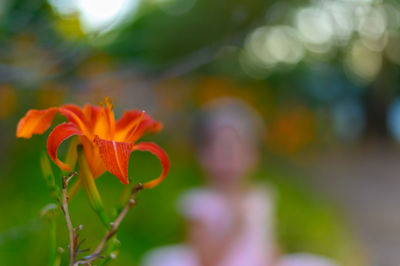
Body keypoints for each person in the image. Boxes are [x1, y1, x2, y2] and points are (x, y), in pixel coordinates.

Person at [141, 97, 337, 266]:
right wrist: (234, 227)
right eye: (222, 150)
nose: (230, 159)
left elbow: (269, 245)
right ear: (203, 155)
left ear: (253, 156)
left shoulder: (259, 196)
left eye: (236, 150)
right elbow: (204, 259)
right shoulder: (201, 203)